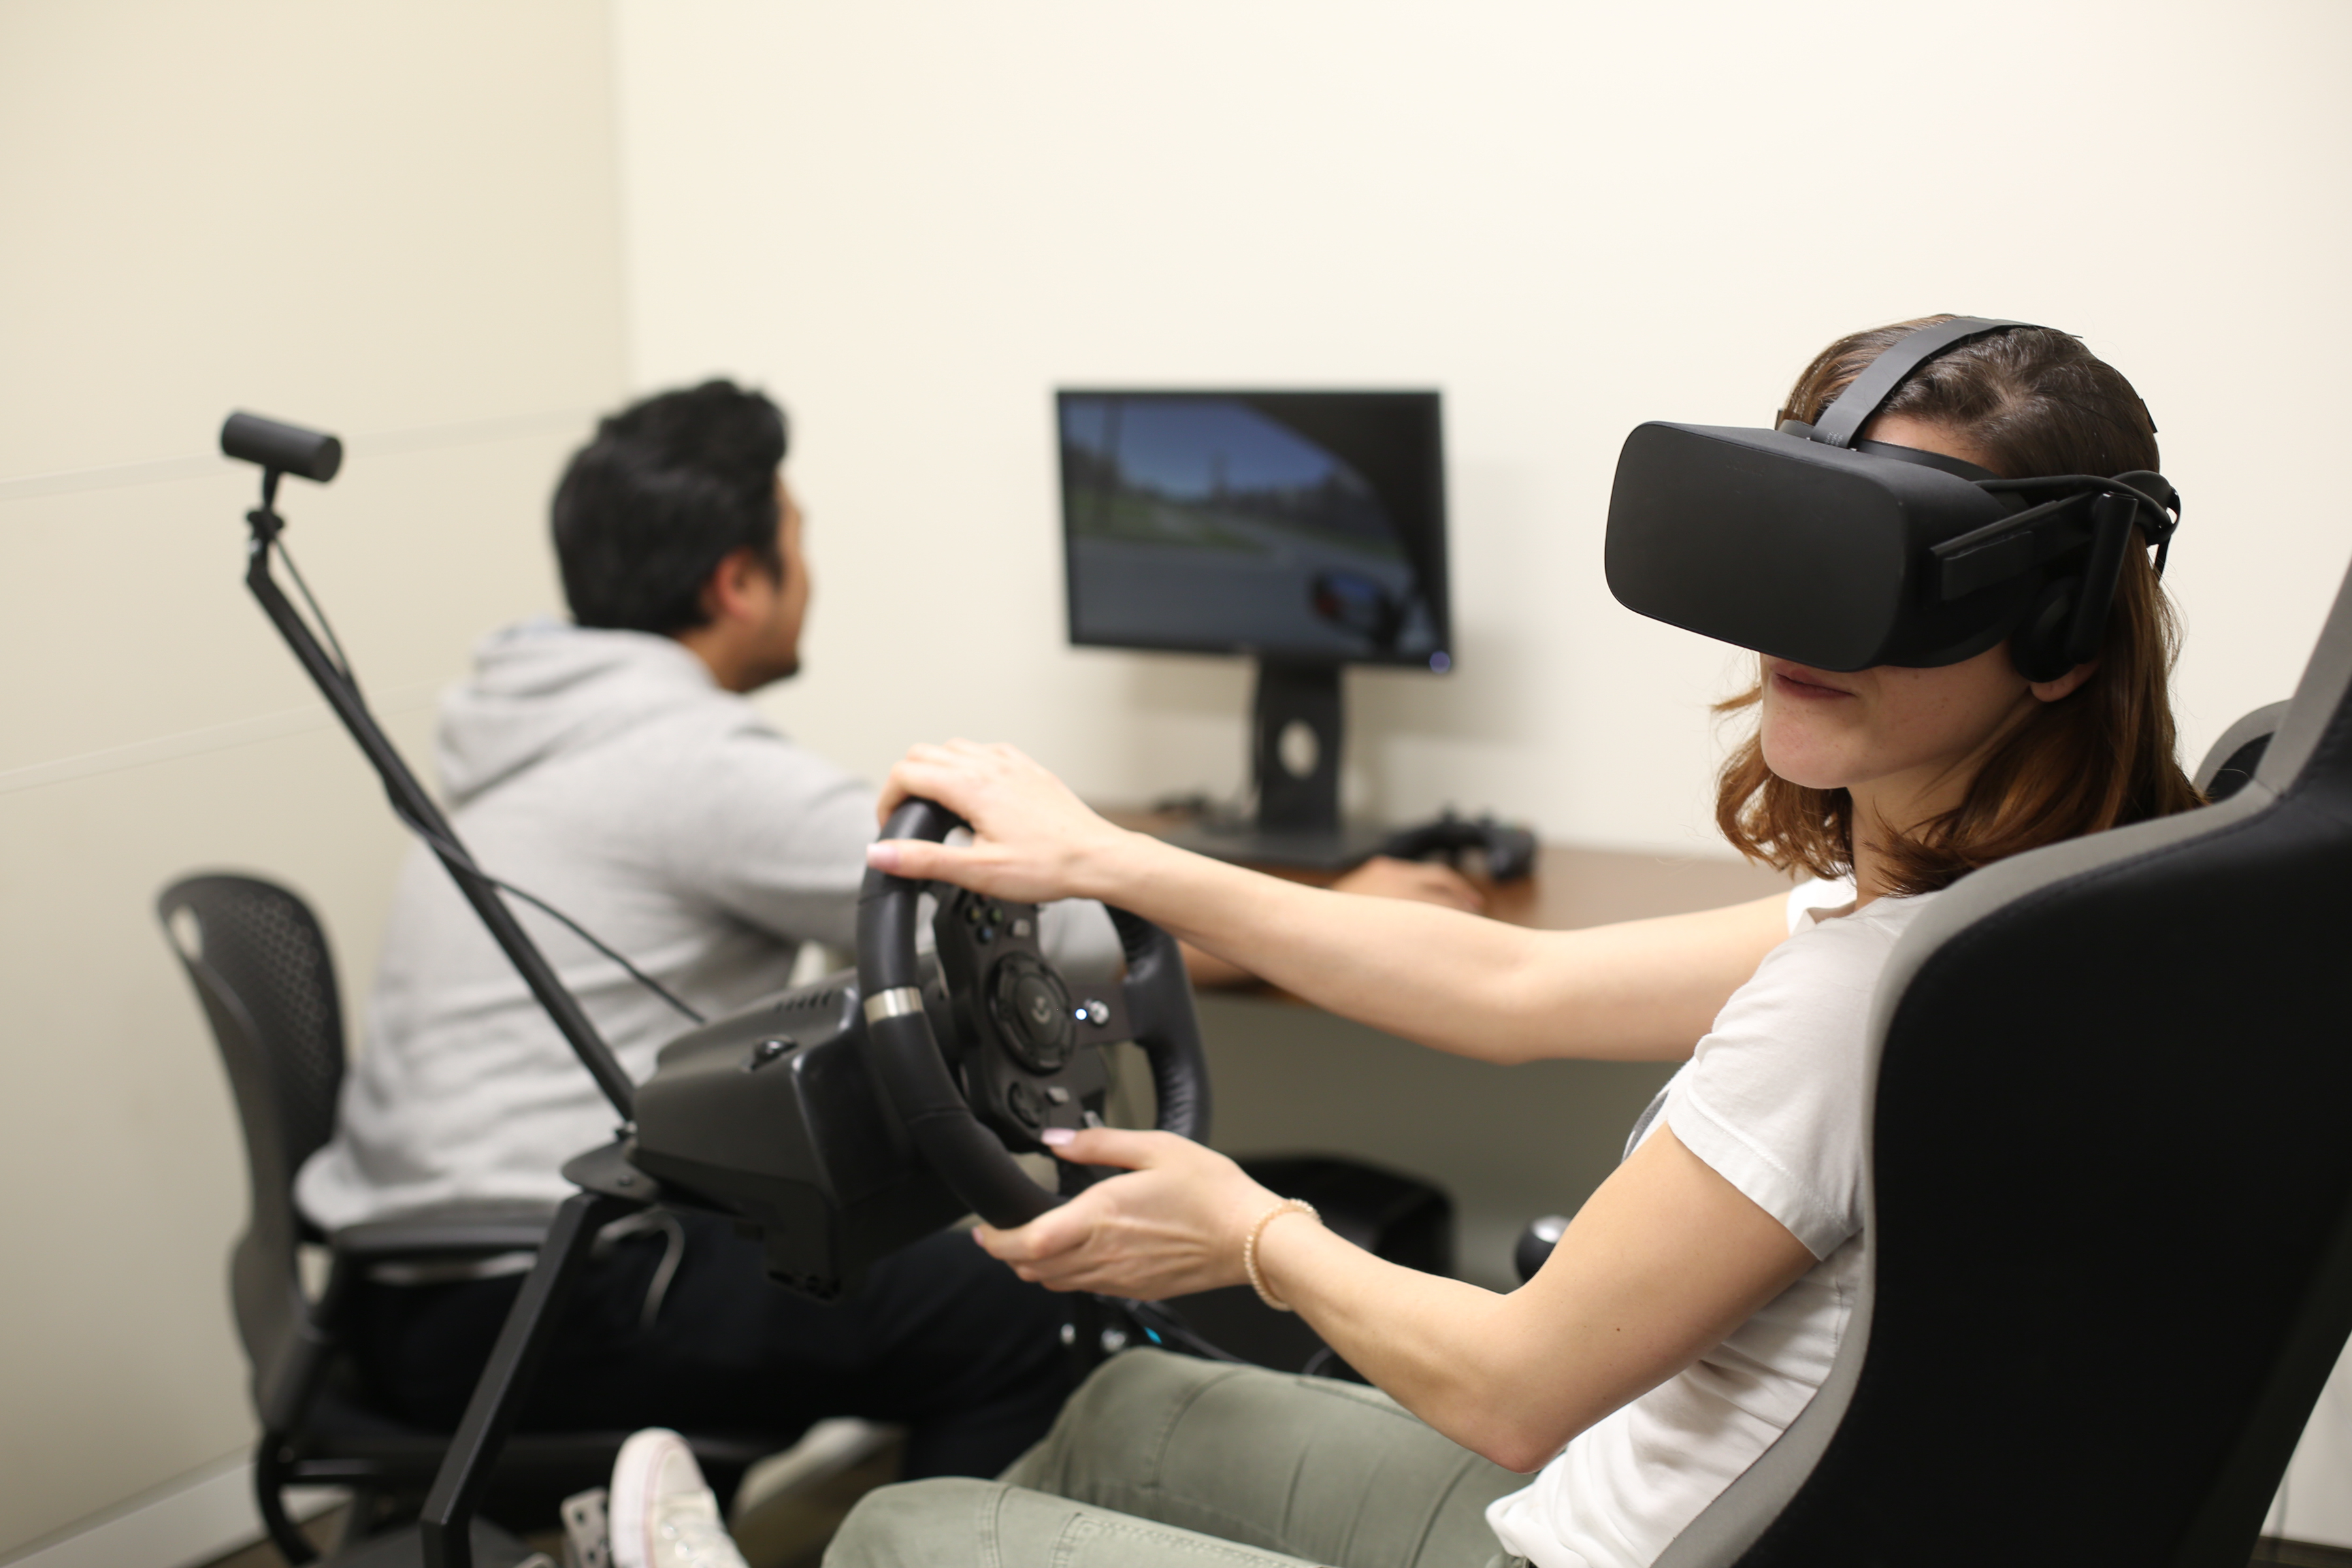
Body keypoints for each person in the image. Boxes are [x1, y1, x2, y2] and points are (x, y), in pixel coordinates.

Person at [802, 319, 2202, 1564]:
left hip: (1591, 1524)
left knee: (899, 1526)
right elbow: (1510, 985)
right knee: (1120, 1406)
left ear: (2062, 631)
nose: (1799, 620)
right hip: (1630, 1484)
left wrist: (1247, 1233)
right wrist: (1114, 860)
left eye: (1886, 568)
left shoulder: (1854, 1004)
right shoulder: (1997, 923)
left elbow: (1513, 1389)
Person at [294, 380, 1481, 1478]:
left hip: (410, 1290)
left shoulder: (536, 730)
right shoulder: (687, 764)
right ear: (736, 583)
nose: (811, 577)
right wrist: (1331, 911)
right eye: (799, 547)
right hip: (551, 1296)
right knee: (1036, 1309)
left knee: (958, 1246)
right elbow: (1050, 927)